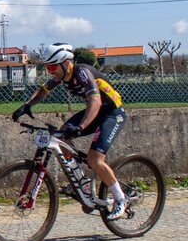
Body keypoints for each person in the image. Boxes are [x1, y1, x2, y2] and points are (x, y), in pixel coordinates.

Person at [12, 42, 129, 220]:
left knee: (95, 159)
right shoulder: (61, 75)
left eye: (52, 67)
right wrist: (27, 105)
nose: (50, 71)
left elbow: (95, 101)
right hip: (96, 112)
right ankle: (82, 183)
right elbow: (43, 90)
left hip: (112, 113)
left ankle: (120, 199)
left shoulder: (82, 72)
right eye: (47, 67)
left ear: (66, 63)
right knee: (61, 136)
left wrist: (81, 127)